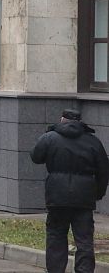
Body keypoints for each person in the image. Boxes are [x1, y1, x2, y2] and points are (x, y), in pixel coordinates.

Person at [31, 109, 109, 273]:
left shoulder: (50, 138)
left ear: (61, 119)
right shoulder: (93, 141)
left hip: (57, 197)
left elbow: (35, 157)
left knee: (56, 236)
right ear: (80, 122)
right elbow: (104, 171)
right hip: (84, 199)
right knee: (84, 239)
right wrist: (98, 193)